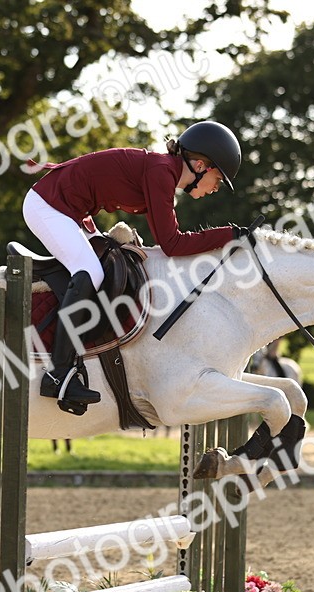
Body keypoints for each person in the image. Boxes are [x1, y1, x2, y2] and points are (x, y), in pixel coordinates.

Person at [24, 121, 248, 412]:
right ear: (200, 165)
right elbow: (172, 244)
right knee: (90, 272)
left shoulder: (163, 172)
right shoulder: (161, 172)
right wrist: (230, 234)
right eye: (218, 179)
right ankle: (58, 373)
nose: (217, 188)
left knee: (106, 267)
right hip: (48, 205)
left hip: (72, 211)